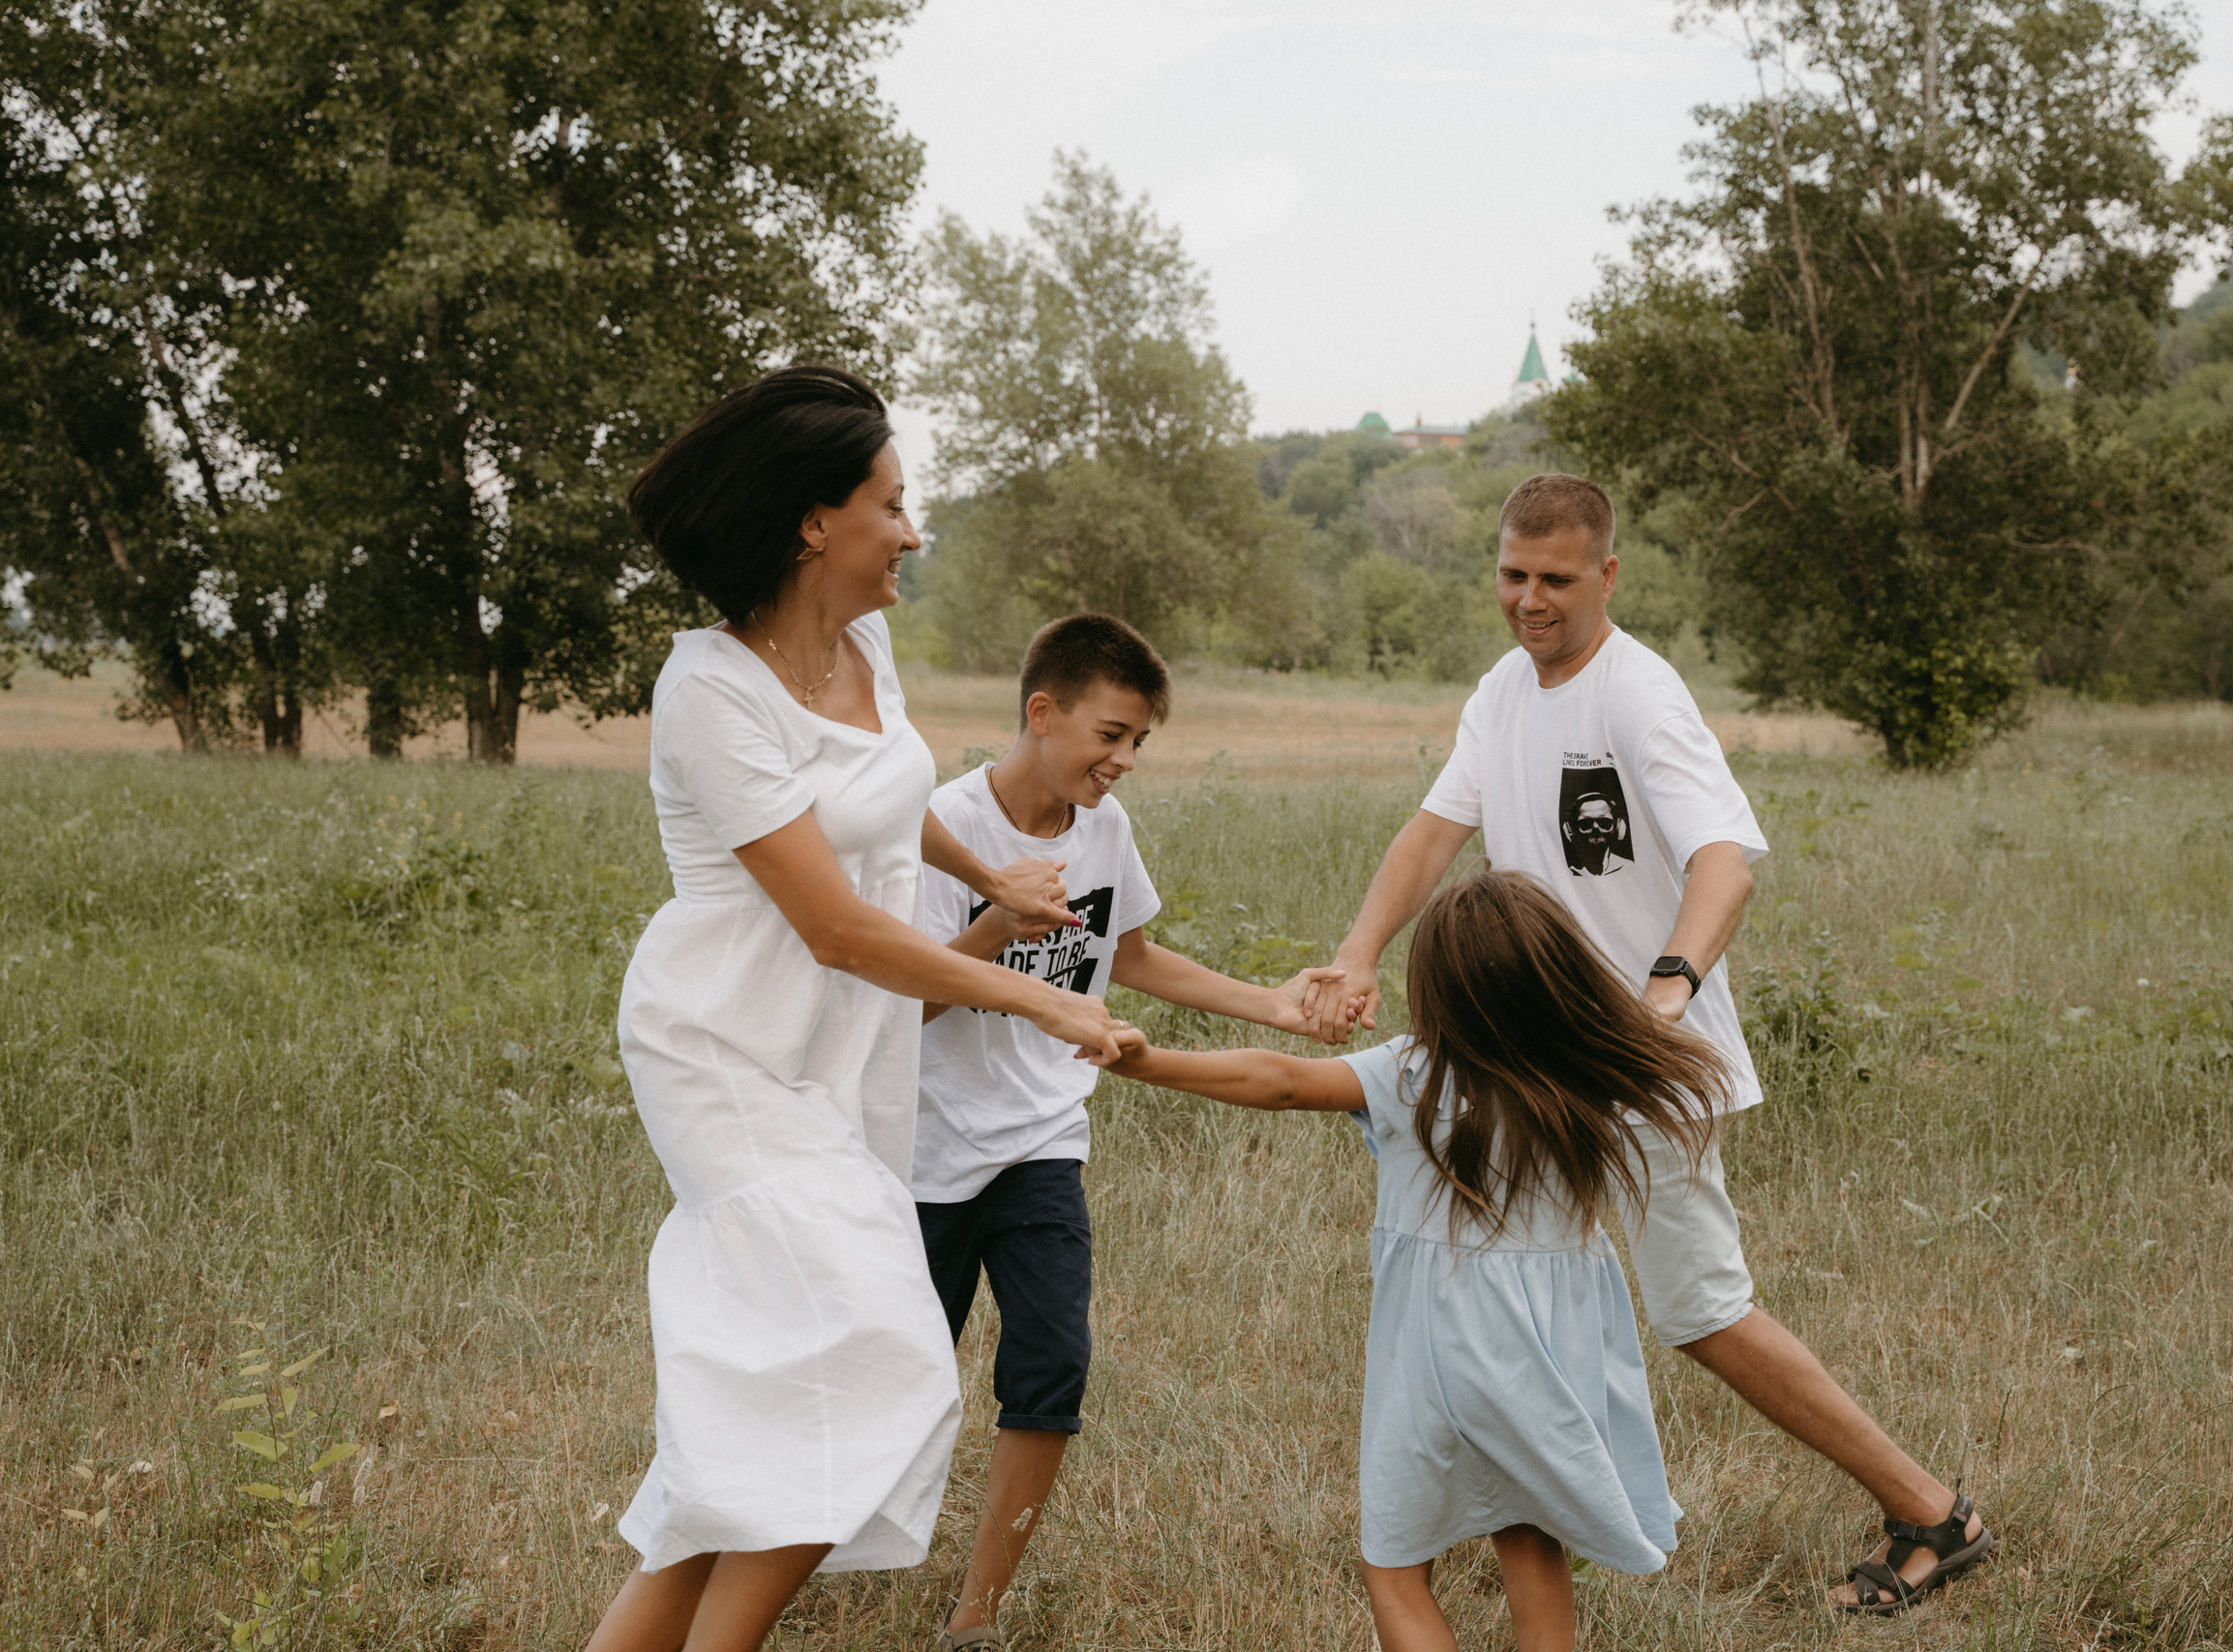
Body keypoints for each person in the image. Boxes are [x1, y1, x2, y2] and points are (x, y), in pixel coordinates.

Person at [1302, 473, 1992, 1616]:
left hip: (1644, 1062)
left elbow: (1725, 856)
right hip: (1549, 1057)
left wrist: (1663, 995)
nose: (1530, 600)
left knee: (1697, 1309)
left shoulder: (1638, 694)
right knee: (1497, 1277)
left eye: (1556, 580)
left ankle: (1932, 1511)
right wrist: (1361, 952)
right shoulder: (1501, 692)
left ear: (1607, 575)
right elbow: (1435, 830)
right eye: (1513, 575)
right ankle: (1512, 1523)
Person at [584, 365, 1128, 1652]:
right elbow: (831, 923)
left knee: (778, 1400)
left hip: (838, 1057)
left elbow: (883, 803)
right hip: (725, 1045)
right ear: (812, 521)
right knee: (879, 1351)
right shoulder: (708, 690)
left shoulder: (862, 641)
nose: (912, 528)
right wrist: (1028, 996)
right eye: (890, 502)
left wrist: (986, 871)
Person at [1100, 871, 1723, 1652]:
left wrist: (1148, 1061)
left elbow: (1281, 1081)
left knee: (1395, 1567)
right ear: (1559, 975)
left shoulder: (1413, 1074)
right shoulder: (1586, 1072)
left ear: (1438, 990)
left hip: (1438, 1357)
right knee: (1530, 1532)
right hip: (1551, 1361)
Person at [912, 613, 1349, 1652]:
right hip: (922, 1154)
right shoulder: (938, 827)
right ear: (1040, 711)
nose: (1123, 761)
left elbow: (1133, 957)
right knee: (904, 1378)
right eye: (1110, 734)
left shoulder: (1101, 830)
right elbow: (896, 1003)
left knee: (1052, 1364)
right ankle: (800, 1549)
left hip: (1040, 1142)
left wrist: (1272, 1005)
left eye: (1138, 742)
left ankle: (976, 1618)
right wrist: (992, 929)